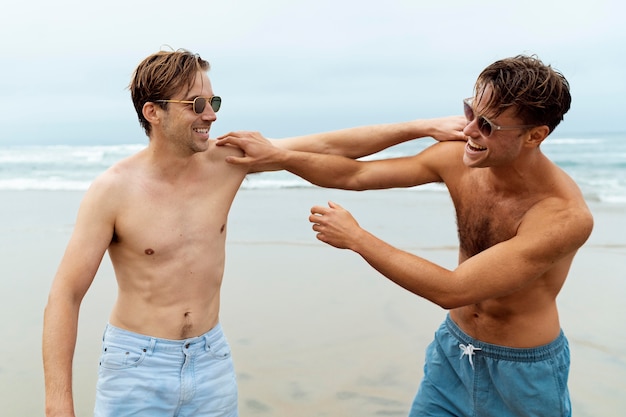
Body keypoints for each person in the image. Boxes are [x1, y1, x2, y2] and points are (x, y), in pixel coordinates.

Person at [42, 48, 466, 417]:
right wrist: (58, 405)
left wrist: (421, 128)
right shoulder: (112, 192)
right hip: (137, 365)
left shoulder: (226, 162)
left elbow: (330, 146)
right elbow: (66, 294)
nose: (211, 114)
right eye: (196, 104)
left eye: (214, 101)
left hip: (211, 360)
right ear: (153, 112)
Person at [216, 55, 593, 416]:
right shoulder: (457, 158)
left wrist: (358, 239)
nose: (468, 131)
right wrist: (280, 157)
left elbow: (453, 289)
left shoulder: (562, 216)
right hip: (452, 352)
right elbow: (354, 175)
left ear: (535, 136)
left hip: (523, 376)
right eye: (469, 113)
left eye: (488, 126)